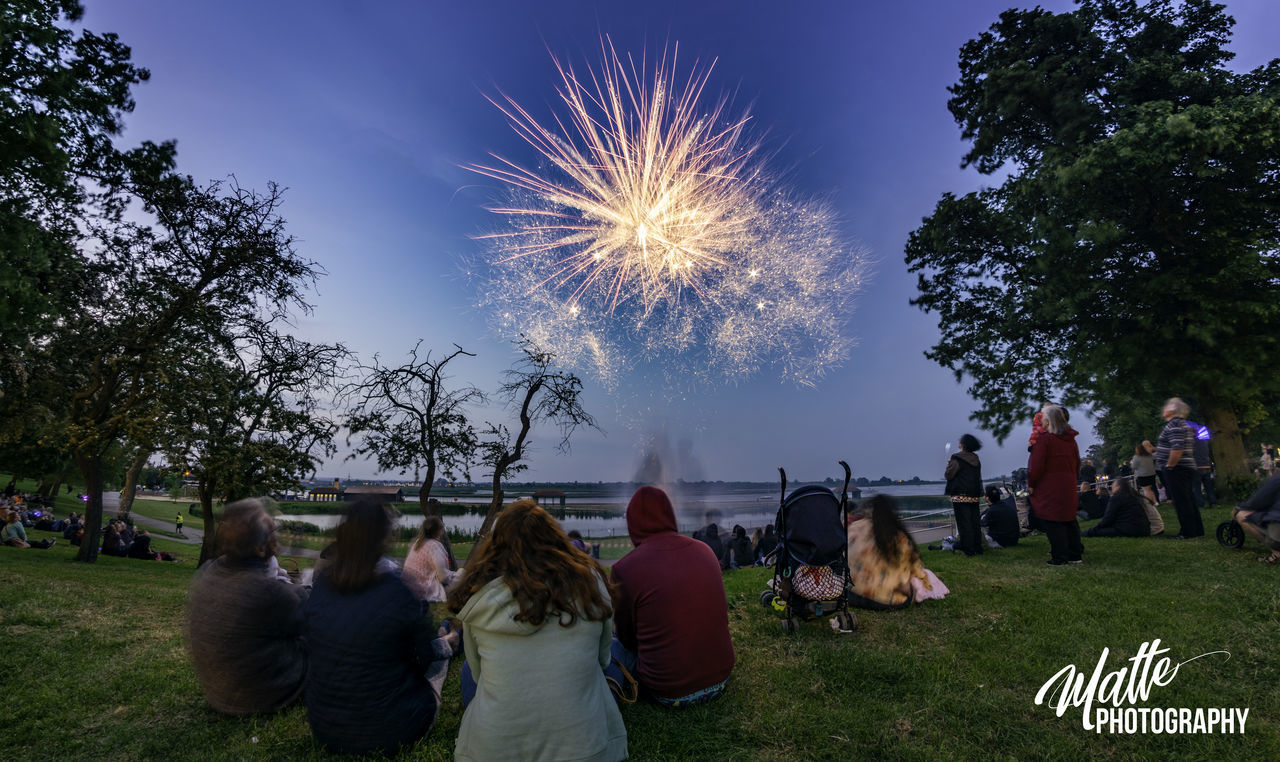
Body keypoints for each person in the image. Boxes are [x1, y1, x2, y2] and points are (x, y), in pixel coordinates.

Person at [449, 499, 627, 761]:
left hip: (493, 752)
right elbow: (603, 661)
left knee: (469, 671)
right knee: (611, 658)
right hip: (586, 750)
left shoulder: (480, 599)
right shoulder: (591, 585)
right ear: (557, 541)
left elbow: (477, 676)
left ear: (497, 546)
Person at [304, 499, 456, 756]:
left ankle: (448, 636)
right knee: (440, 656)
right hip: (391, 731)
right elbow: (425, 657)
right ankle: (451, 638)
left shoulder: (320, 587)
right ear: (383, 540)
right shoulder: (397, 591)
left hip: (325, 728)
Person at [610, 486, 734, 707]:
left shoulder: (624, 569)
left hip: (669, 692)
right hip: (720, 679)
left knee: (608, 643)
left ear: (633, 524)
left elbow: (627, 639)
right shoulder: (705, 550)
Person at [185, 498, 308, 716]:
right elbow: (313, 618)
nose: (277, 534)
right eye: (273, 530)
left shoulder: (209, 572)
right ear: (259, 547)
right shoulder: (265, 591)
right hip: (260, 698)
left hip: (221, 693)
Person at [847, 495, 947, 608]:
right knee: (923, 577)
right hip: (885, 601)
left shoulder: (853, 529)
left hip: (852, 595)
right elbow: (915, 570)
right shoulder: (897, 537)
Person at [1028, 404, 1083, 566]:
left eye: (1044, 418)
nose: (1042, 421)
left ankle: (1059, 556)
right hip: (1068, 483)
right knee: (1069, 519)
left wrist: (1032, 483)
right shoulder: (1070, 440)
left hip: (1049, 486)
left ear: (1049, 421)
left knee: (1053, 521)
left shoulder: (1045, 440)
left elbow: (1036, 465)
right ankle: (1075, 554)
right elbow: (1077, 462)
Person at [1155, 397, 1204, 539]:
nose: (1164, 408)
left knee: (1182, 500)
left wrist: (1170, 465)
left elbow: (1177, 448)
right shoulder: (1182, 425)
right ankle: (1196, 530)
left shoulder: (1174, 424)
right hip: (1185, 467)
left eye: (1167, 406)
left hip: (1178, 468)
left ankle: (1187, 532)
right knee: (1188, 498)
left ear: (1172, 410)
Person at [944, 433, 984, 556]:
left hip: (960, 495)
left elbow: (949, 475)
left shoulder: (957, 458)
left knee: (964, 523)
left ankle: (968, 549)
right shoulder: (975, 459)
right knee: (974, 522)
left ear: (963, 444)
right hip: (974, 494)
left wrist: (948, 466)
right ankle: (978, 547)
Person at [402, 515, 457, 603]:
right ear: (439, 530)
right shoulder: (434, 546)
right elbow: (443, 577)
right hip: (424, 589)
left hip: (409, 586)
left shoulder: (418, 542)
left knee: (459, 575)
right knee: (463, 576)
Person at [1233, 473, 1280, 564]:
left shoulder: (1277, 479)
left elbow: (1258, 500)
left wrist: (1240, 506)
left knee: (1241, 516)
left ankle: (1276, 552)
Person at [1083, 479, 1151, 538]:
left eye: (1113, 485)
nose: (1111, 487)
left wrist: (1095, 529)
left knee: (1098, 532)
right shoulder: (1132, 496)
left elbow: (1108, 518)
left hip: (1130, 530)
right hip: (1144, 529)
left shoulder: (1116, 498)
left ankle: (1082, 534)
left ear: (1118, 487)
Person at [1131, 442, 1159, 507]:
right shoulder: (1149, 455)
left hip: (1142, 475)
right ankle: (1155, 502)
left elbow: (1133, 467)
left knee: (1146, 490)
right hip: (1152, 474)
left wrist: (1132, 463)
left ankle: (1150, 503)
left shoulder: (1136, 457)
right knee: (1150, 489)